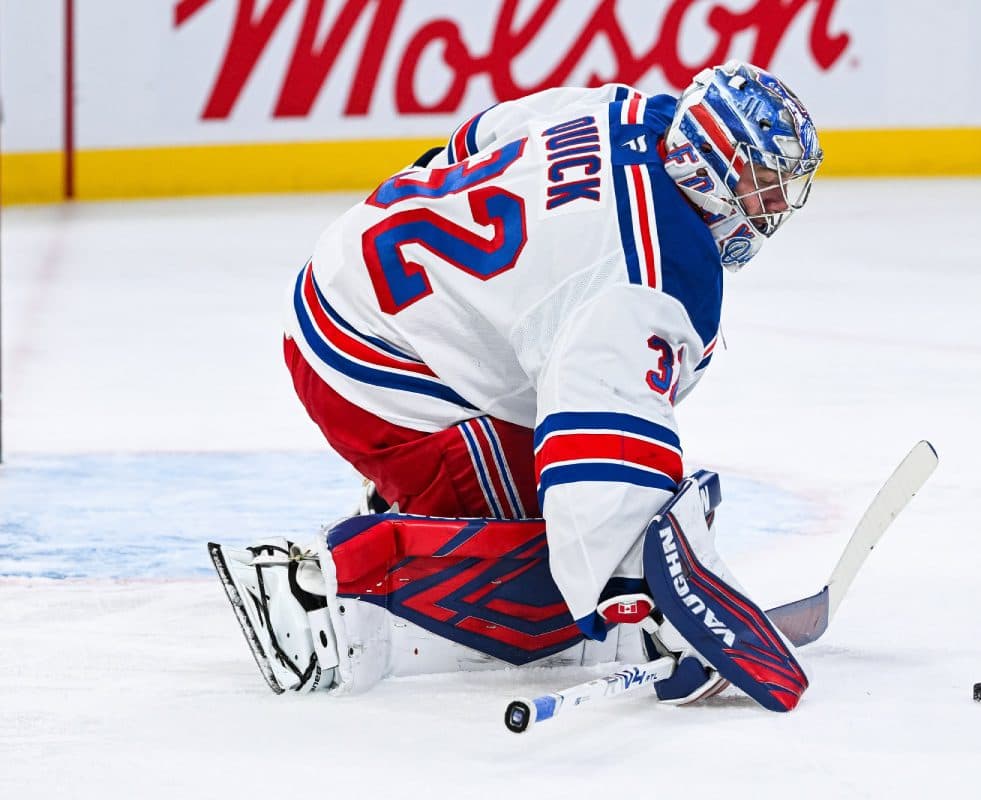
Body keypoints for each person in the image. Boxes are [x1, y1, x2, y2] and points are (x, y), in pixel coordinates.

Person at [210, 60, 823, 710]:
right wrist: (650, 610)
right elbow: (597, 453)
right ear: (710, 165)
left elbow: (472, 143)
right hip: (375, 377)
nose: (775, 207)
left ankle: (416, 479)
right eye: (762, 184)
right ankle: (348, 585)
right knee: (556, 533)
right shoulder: (660, 270)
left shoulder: (628, 113)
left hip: (342, 280)